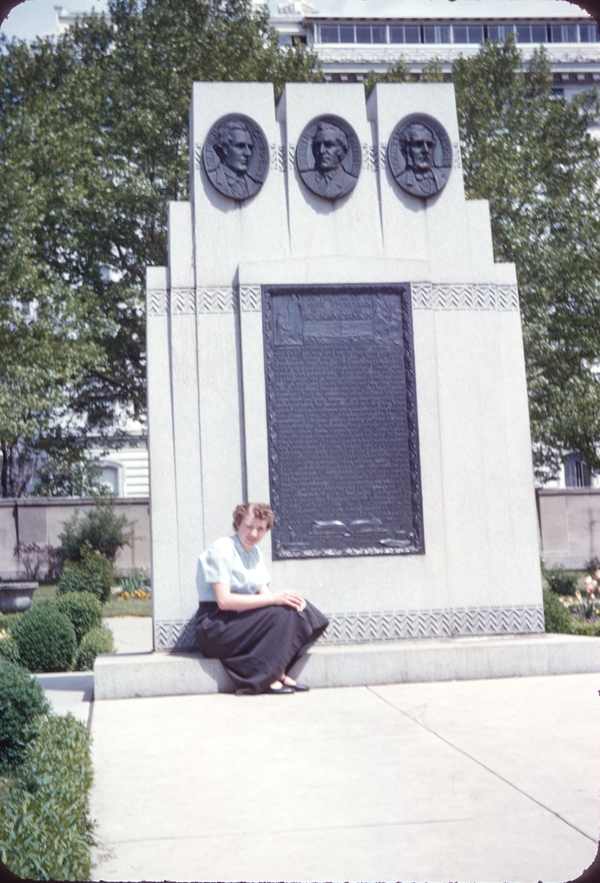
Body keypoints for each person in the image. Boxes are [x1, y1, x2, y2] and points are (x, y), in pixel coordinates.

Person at [195, 502, 329, 695]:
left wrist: (285, 600)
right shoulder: (223, 548)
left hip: (238, 621)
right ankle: (268, 676)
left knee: (297, 609)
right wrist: (275, 599)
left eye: (260, 529)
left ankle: (278, 670)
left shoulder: (254, 553)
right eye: (249, 526)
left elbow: (267, 598)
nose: (254, 534)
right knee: (279, 609)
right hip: (214, 626)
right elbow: (223, 601)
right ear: (238, 523)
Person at [301, 121, 357, 199]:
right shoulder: (306, 178)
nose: (321, 150)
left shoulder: (350, 182)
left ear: (340, 150)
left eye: (329, 145)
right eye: (317, 145)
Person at [210, 119, 262, 199]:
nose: (248, 153)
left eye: (250, 147)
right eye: (240, 146)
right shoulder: (213, 176)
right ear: (224, 148)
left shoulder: (254, 184)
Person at [398, 122, 446, 198]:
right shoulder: (402, 180)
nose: (426, 150)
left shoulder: (442, 178)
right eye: (418, 144)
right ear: (405, 151)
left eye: (429, 145)